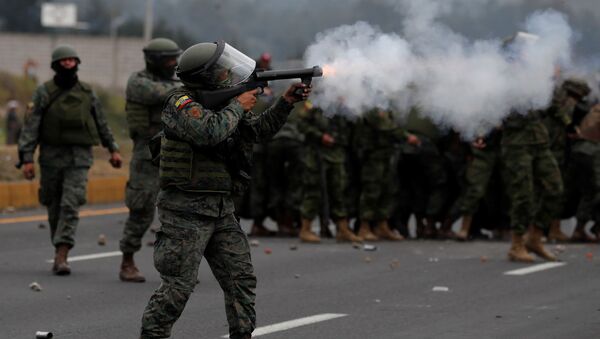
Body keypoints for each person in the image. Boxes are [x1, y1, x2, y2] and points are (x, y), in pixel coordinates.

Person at [140, 41, 311, 339]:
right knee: (178, 287)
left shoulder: (223, 104)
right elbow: (208, 133)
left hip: (220, 209)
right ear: (205, 76)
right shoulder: (179, 103)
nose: (226, 75)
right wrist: (237, 104)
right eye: (220, 71)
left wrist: (285, 102)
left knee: (240, 281)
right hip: (185, 211)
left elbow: (257, 132)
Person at [17, 45, 122, 275]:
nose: (68, 64)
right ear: (56, 65)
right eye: (63, 61)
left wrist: (113, 149)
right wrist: (26, 158)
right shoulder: (44, 92)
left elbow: (101, 123)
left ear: (77, 63)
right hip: (51, 157)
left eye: (72, 60)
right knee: (53, 204)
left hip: (79, 157)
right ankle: (59, 245)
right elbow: (31, 126)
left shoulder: (87, 92)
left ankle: (62, 253)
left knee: (71, 203)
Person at [118, 38, 182, 283]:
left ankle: (177, 266)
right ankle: (127, 261)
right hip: (146, 156)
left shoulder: (175, 83)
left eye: (175, 58)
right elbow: (163, 94)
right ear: (154, 61)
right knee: (141, 209)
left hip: (174, 154)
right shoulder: (138, 82)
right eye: (169, 59)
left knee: (179, 212)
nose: (173, 63)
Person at [296, 102, 362, 243]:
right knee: (313, 191)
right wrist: (320, 136)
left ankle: (343, 229)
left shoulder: (345, 104)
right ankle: (305, 229)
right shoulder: (315, 101)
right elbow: (301, 124)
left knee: (339, 189)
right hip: (316, 154)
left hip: (336, 153)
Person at [353, 107, 419, 241]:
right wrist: (407, 136)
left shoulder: (384, 105)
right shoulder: (371, 106)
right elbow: (385, 125)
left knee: (387, 189)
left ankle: (382, 226)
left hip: (386, 154)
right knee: (371, 191)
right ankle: (364, 228)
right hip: (373, 155)